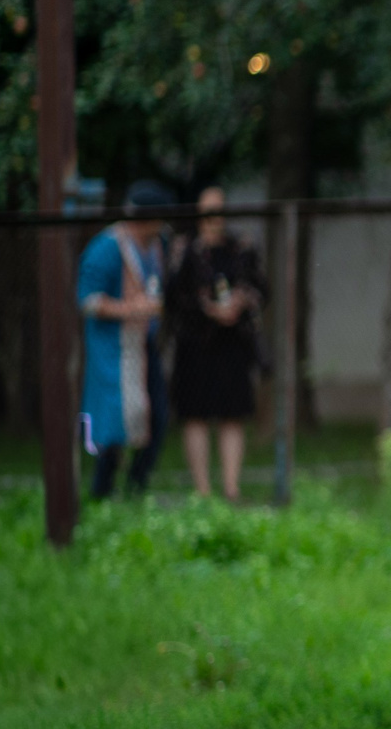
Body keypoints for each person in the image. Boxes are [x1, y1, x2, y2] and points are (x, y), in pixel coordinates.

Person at [166, 186, 266, 500]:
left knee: (231, 414)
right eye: (207, 211)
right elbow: (172, 297)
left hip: (232, 345)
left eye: (218, 210)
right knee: (195, 414)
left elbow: (262, 289)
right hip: (196, 344)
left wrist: (241, 301)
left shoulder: (241, 248)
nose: (214, 218)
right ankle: (203, 491)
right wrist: (206, 308)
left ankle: (231, 488)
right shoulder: (186, 249)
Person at [77, 181, 173, 499]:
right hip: (112, 351)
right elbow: (88, 300)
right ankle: (101, 493)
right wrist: (130, 309)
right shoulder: (107, 247)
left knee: (157, 417)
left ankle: (135, 489)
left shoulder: (157, 246)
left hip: (143, 346)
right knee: (113, 424)